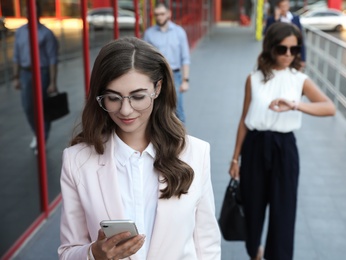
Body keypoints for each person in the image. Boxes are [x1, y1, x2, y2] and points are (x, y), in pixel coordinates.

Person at [58, 37, 221, 260]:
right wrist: (93, 254)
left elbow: (206, 244)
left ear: (158, 88)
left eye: (138, 96)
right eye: (113, 98)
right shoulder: (77, 160)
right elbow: (67, 252)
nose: (125, 110)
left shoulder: (196, 153)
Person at [229, 22, 335, 260]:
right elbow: (244, 120)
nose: (288, 55)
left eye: (294, 50)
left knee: (283, 210)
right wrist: (235, 157)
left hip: (285, 148)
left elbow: (330, 108)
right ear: (270, 48)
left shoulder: (299, 80)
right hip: (254, 147)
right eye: (282, 49)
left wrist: (296, 105)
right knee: (252, 207)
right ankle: (254, 252)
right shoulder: (253, 79)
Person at [13, 2, 59, 152]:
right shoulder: (20, 32)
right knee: (28, 107)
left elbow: (53, 58)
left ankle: (42, 138)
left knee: (42, 107)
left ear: (38, 12)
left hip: (42, 72)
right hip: (26, 73)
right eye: (27, 10)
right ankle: (37, 134)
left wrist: (52, 82)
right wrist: (16, 77)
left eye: (33, 10)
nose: (29, 13)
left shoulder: (46, 33)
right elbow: (16, 56)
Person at [143, 2, 190, 123]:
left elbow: (185, 57)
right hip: (156, 76)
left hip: (175, 76)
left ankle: (182, 139)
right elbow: (145, 58)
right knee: (156, 109)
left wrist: (185, 80)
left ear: (169, 14)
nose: (159, 17)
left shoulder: (179, 32)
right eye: (157, 14)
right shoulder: (149, 34)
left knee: (178, 110)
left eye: (162, 14)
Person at [264, 0, 306, 66]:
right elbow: (268, 36)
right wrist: (276, 20)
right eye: (282, 6)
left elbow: (301, 39)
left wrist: (303, 59)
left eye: (285, 6)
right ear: (278, 7)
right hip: (278, 53)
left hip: (293, 52)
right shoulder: (272, 19)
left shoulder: (295, 18)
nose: (284, 8)